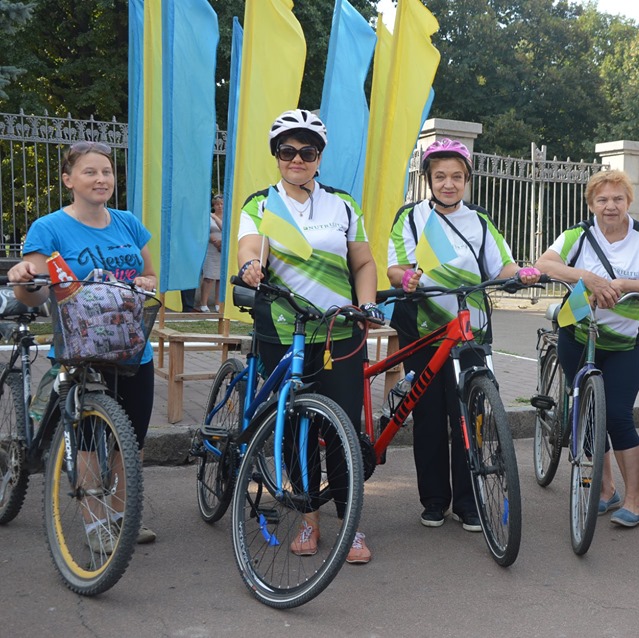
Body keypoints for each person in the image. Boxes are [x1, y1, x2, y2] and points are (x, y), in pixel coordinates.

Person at [236, 109, 379, 565]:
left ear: (319, 158)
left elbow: (363, 263)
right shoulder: (260, 204)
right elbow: (246, 246)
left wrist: (367, 303)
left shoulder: (343, 205)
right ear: (277, 156)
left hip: (338, 330)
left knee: (341, 429)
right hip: (284, 329)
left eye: (307, 151)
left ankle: (349, 522)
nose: (297, 159)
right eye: (287, 151)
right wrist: (249, 266)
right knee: (296, 425)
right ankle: (308, 518)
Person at [7, 141, 159, 548]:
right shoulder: (49, 228)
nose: (101, 179)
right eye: (90, 172)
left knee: (131, 443)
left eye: (106, 171)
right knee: (92, 442)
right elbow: (36, 293)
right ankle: (98, 527)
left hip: (132, 348)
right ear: (68, 179)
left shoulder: (128, 222)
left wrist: (147, 282)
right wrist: (24, 280)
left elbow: (149, 275)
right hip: (80, 350)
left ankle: (123, 518)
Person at [386, 138, 540, 531]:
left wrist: (520, 275)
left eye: (456, 177)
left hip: (471, 330)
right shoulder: (411, 217)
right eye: (440, 177)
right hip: (424, 330)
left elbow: (501, 266)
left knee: (470, 416)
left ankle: (469, 503)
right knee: (430, 416)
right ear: (429, 180)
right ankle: (435, 500)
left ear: (467, 179)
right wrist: (407, 277)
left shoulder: (481, 221)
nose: (448, 184)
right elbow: (395, 268)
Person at [535, 169, 639, 528]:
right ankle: (605, 489)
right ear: (591, 203)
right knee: (586, 412)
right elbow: (543, 264)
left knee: (618, 415)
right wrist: (589, 278)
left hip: (627, 343)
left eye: (617, 199)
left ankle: (635, 500)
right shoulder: (578, 235)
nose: (610, 206)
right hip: (578, 334)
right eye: (602, 200)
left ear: (628, 201)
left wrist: (623, 283)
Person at [196, 194, 223, 312]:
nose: (220, 206)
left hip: (223, 249)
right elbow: (202, 231)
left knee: (220, 278)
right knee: (209, 277)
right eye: (217, 204)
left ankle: (218, 303)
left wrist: (222, 242)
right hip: (211, 249)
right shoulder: (208, 217)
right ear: (213, 205)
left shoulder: (228, 217)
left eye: (222, 204)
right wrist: (212, 239)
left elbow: (226, 229)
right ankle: (203, 303)